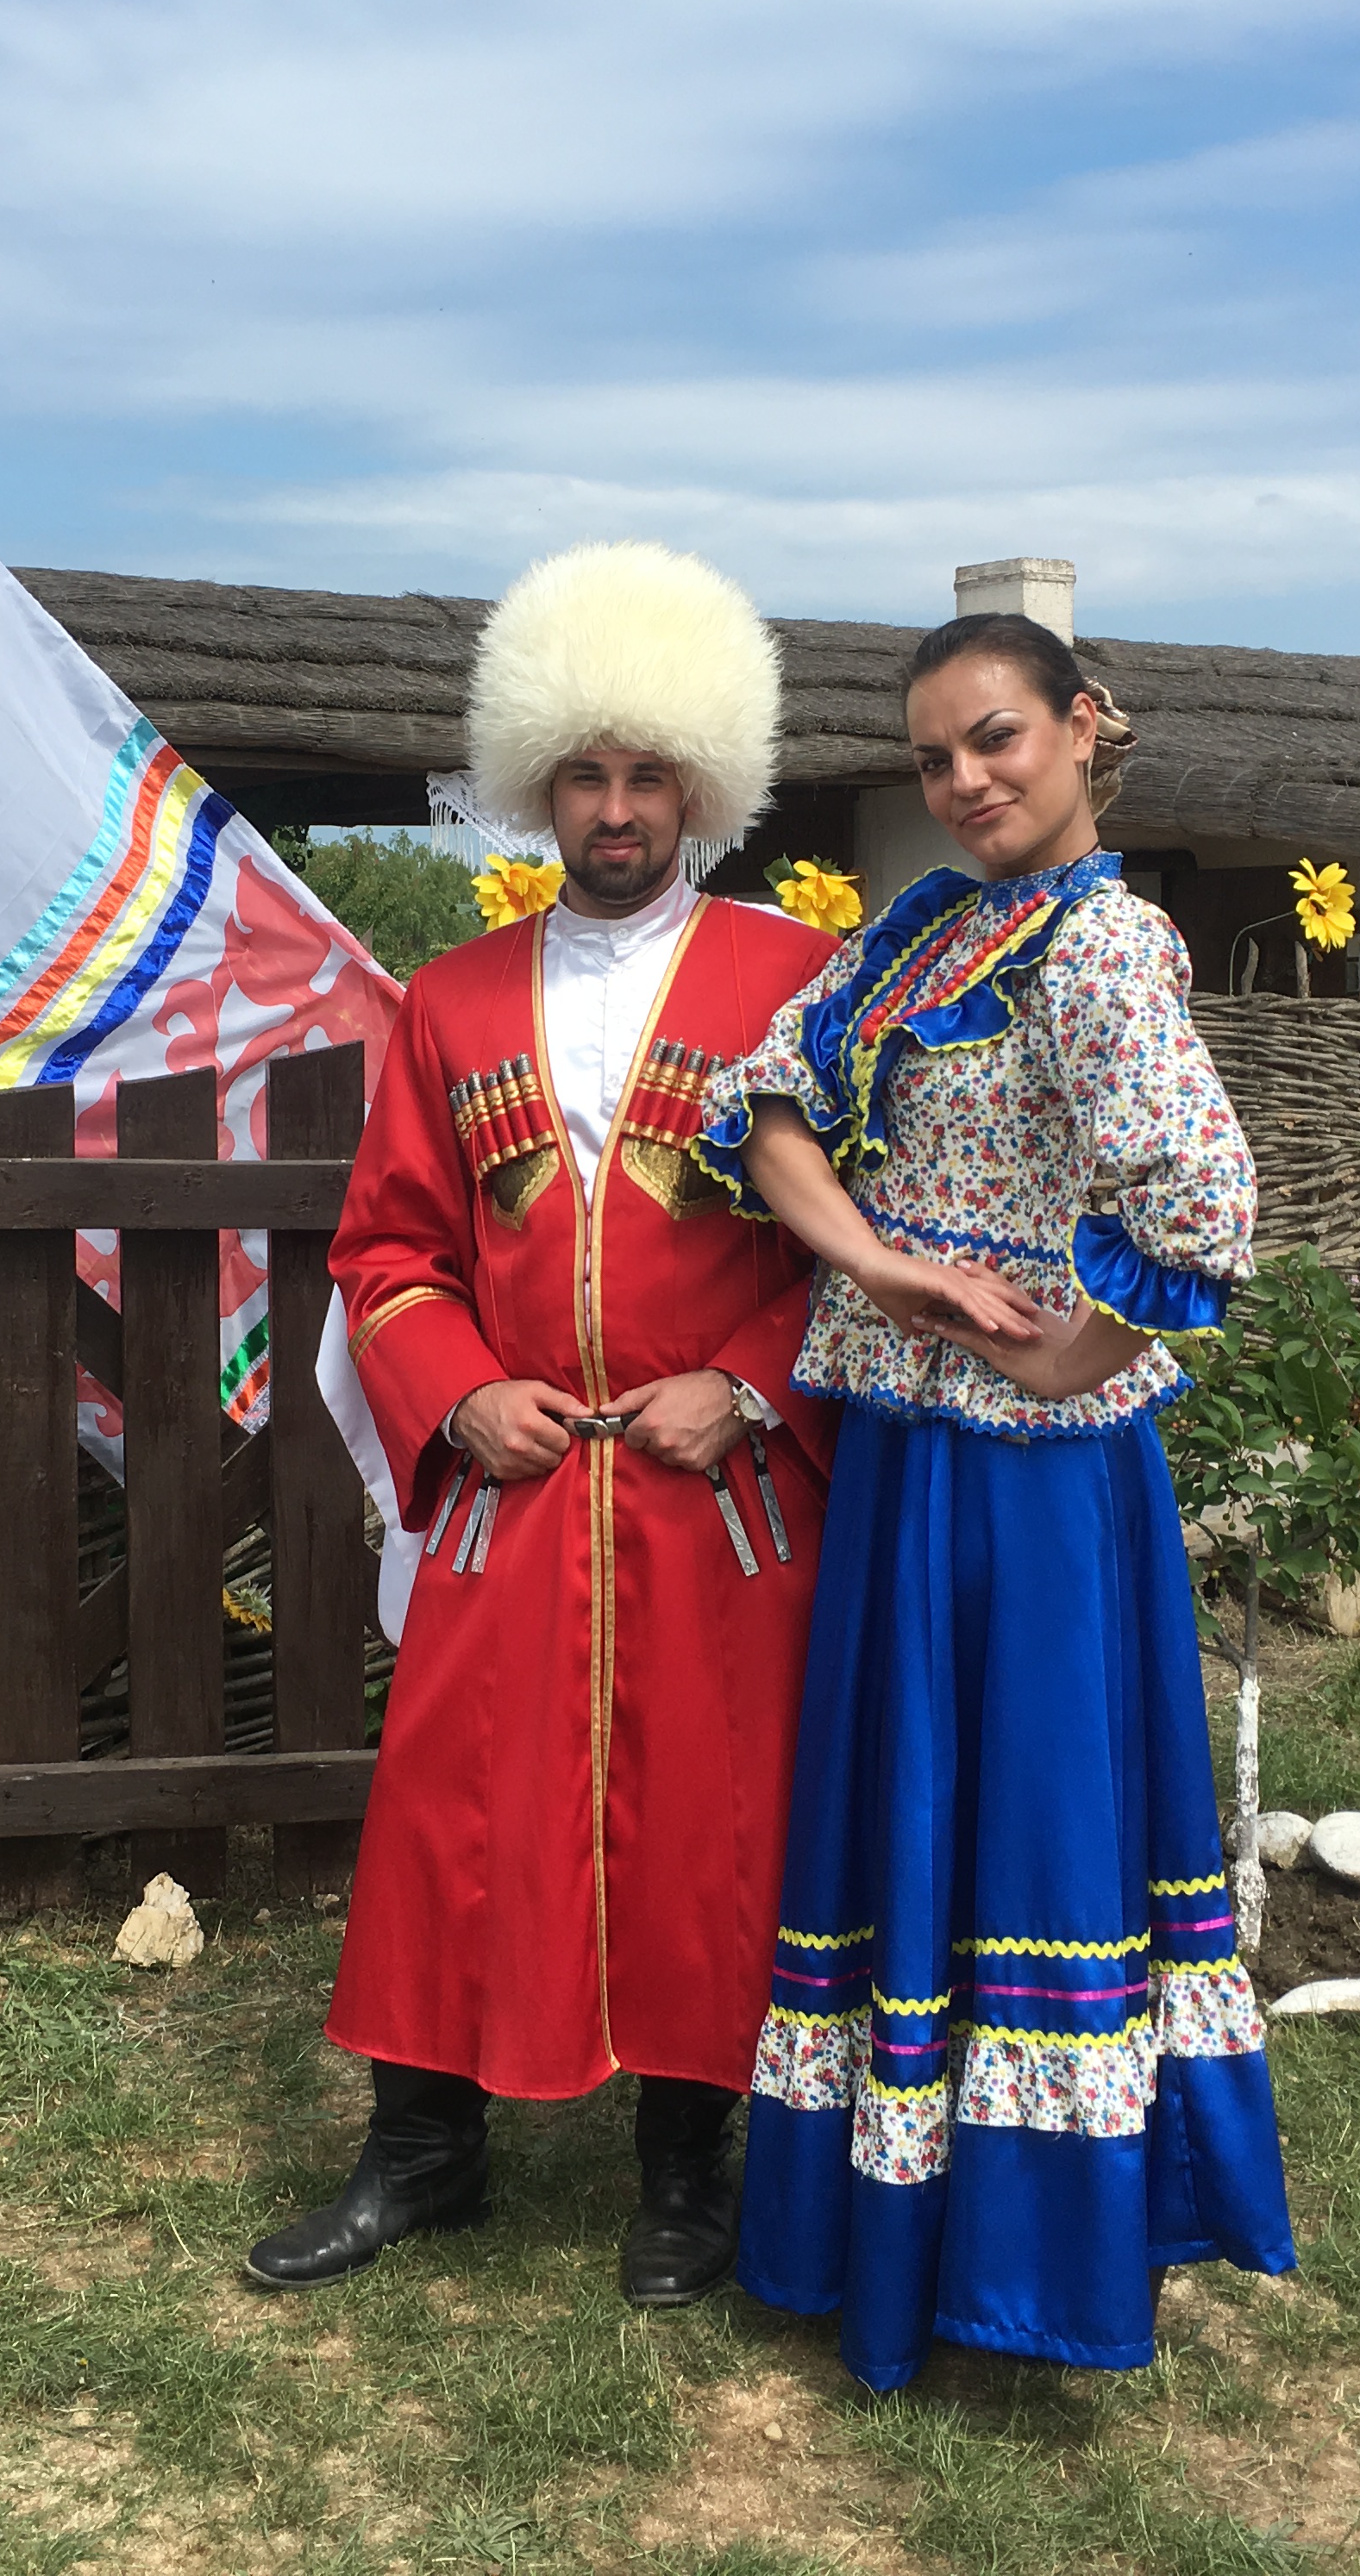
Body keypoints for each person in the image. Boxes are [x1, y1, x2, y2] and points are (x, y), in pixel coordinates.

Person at [692, 610, 1296, 2392]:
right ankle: (908, 2234)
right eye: (934, 755)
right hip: (904, 1446)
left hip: (1032, 1481)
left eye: (996, 739)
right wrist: (884, 1268)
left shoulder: (1098, 944)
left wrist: (1065, 1359)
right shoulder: (926, 930)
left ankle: (1022, 2262)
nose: (962, 780)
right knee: (914, 1801)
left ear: (1084, 725)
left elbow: (1202, 1211)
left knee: (1020, 1818)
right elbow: (762, 1106)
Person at [247, 543, 843, 2307]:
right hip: (510, 1485)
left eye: (648, 771)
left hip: (715, 1490)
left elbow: (861, 1241)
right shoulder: (451, 1000)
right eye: (583, 772)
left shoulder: (800, 981)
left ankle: (685, 2174)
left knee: (705, 1823)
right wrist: (462, 1391)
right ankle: (422, 2150)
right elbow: (388, 1252)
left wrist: (745, 1386)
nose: (617, 806)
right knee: (450, 1806)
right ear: (535, 782)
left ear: (702, 781)